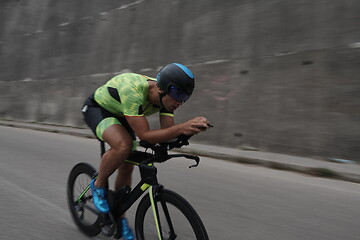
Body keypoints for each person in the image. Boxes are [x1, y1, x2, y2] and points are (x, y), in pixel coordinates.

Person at [81, 63, 210, 239]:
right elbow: (145, 136)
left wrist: (190, 130)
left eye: (185, 97)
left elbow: (166, 135)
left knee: (127, 164)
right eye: (178, 95)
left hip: (125, 114)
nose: (180, 102)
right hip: (99, 109)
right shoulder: (133, 90)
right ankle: (98, 185)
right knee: (124, 146)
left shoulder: (167, 101)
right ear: (162, 89)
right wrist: (181, 127)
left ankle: (119, 218)